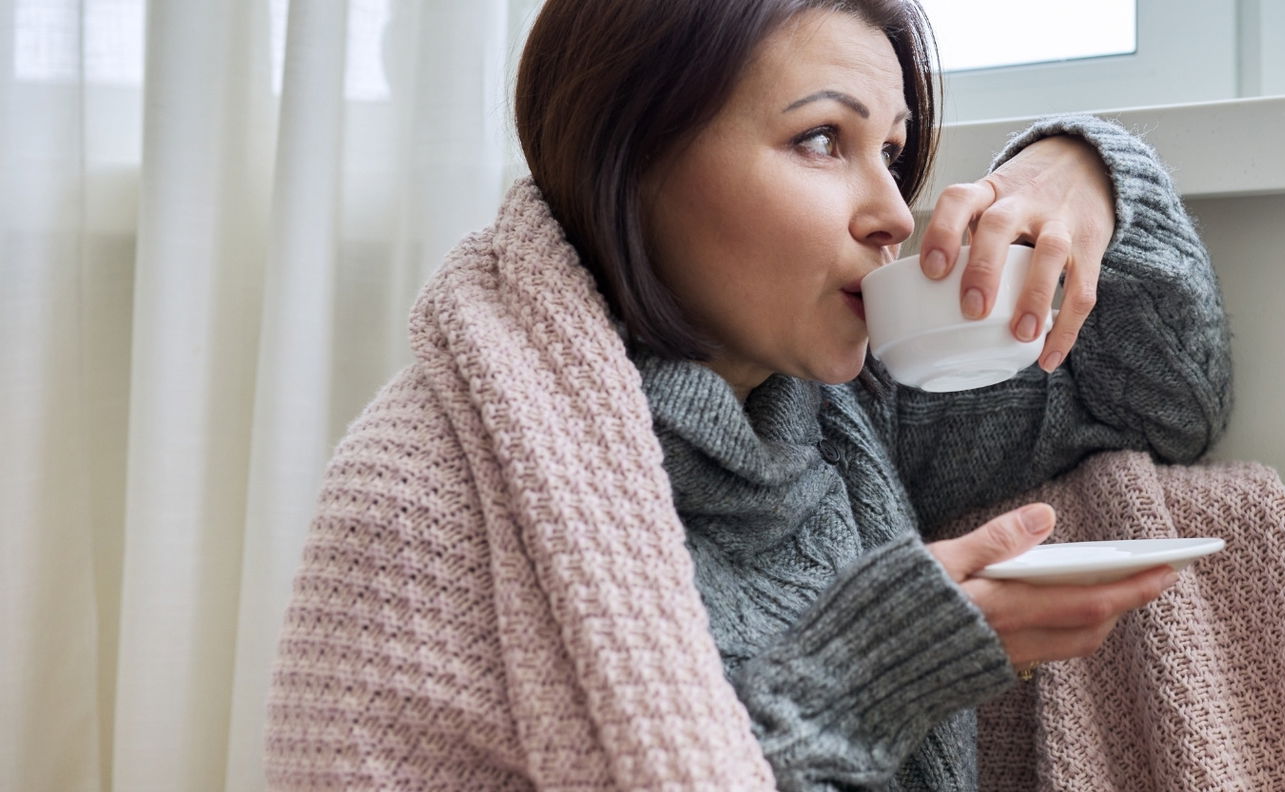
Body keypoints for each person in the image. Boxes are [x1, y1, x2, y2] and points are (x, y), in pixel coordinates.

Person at [289, 0, 1230, 788]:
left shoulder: (852, 410)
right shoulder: (427, 491)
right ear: (635, 158)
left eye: (893, 152)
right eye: (822, 139)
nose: (896, 214)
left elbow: (1164, 399)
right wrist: (869, 677)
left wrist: (1080, 168)